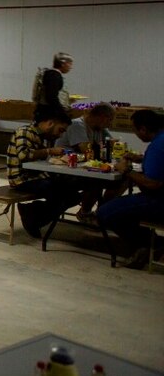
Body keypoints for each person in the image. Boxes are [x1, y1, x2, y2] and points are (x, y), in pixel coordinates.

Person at [98, 109, 164, 269]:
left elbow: (153, 184)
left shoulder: (157, 146)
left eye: (135, 130)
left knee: (103, 213)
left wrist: (126, 171)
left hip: (158, 200)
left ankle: (150, 244)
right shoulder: (160, 140)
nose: (135, 134)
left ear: (143, 129)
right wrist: (141, 158)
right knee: (123, 205)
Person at [8, 106, 77, 238]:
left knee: (73, 191)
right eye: (60, 130)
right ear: (50, 123)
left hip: (38, 176)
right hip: (22, 179)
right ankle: (32, 217)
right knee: (60, 192)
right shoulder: (25, 131)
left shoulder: (42, 135)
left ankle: (32, 211)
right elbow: (24, 155)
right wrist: (50, 151)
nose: (60, 134)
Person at [57, 103, 118, 223]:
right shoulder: (77, 125)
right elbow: (85, 149)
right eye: (109, 120)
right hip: (65, 168)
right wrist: (106, 145)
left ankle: (104, 212)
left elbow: (112, 143)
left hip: (82, 168)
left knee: (120, 181)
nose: (110, 124)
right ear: (102, 117)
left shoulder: (99, 129)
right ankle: (85, 212)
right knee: (96, 181)